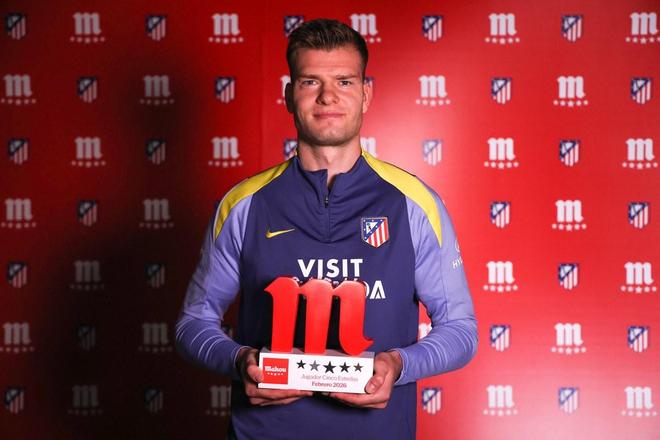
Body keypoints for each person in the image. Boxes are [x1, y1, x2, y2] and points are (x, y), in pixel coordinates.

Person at [175, 18, 477, 440]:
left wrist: (399, 364)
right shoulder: (243, 205)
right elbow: (192, 324)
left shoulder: (414, 204)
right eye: (310, 81)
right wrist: (240, 360)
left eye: (344, 82)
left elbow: (461, 330)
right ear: (289, 95)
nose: (328, 96)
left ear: (366, 94)